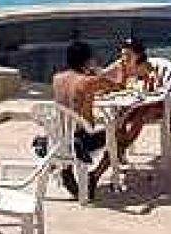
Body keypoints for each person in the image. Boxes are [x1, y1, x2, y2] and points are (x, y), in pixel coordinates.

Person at [53, 40, 123, 198]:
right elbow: (118, 86)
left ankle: (66, 170)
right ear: (87, 60)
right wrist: (97, 70)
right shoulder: (87, 81)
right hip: (81, 139)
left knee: (79, 128)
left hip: (59, 136)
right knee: (119, 135)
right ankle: (95, 175)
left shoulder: (57, 78)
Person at [104, 38, 171, 154]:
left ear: (138, 55)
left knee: (139, 116)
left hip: (152, 105)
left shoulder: (145, 66)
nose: (125, 58)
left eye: (128, 55)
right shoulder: (122, 64)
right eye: (123, 54)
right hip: (135, 103)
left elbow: (158, 85)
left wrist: (153, 80)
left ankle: (122, 147)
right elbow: (104, 74)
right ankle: (120, 148)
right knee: (120, 116)